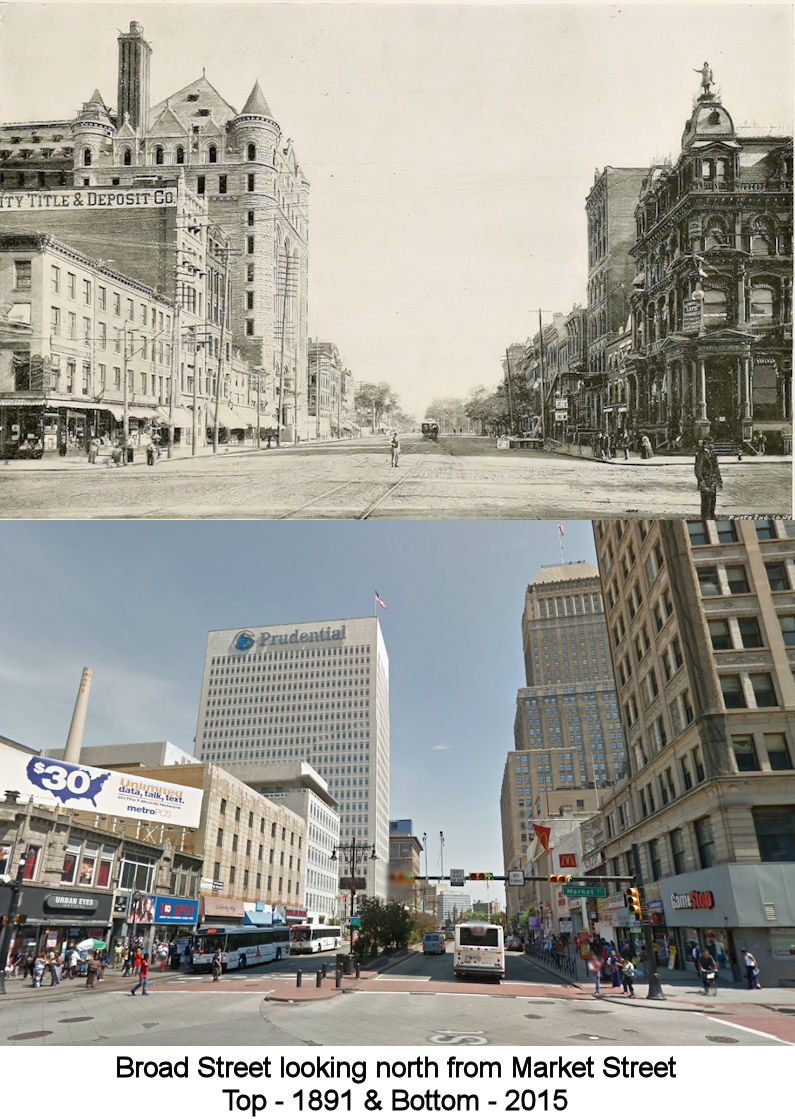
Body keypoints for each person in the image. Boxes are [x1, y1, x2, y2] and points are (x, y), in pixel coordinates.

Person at [694, 438, 722, 517]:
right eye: (711, 444)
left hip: (713, 482)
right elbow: (698, 469)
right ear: (706, 444)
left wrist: (719, 481)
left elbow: (716, 468)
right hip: (706, 482)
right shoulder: (701, 454)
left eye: (712, 444)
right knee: (706, 503)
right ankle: (706, 518)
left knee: (713, 502)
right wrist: (701, 481)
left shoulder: (712, 454)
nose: (712, 445)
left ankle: (712, 516)